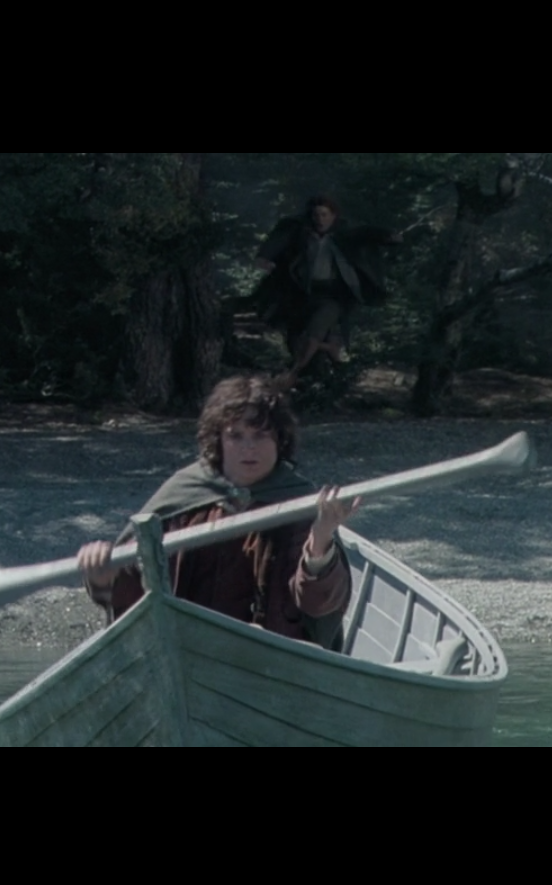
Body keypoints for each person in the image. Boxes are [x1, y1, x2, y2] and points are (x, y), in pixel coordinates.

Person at [77, 374, 361, 649]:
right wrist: (105, 577)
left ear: (279, 440)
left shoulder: (298, 504)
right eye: (236, 436)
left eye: (260, 435)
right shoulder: (183, 494)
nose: (249, 447)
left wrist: (320, 542)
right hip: (187, 647)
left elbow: (319, 605)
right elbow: (137, 587)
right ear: (219, 441)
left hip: (268, 654)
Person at [252, 195, 401, 386]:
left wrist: (388, 236)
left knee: (313, 333)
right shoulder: (300, 233)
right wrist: (265, 257)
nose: (320, 220)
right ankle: (329, 354)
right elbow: (278, 242)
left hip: (332, 296)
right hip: (301, 294)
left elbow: (367, 233)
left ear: (333, 216)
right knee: (295, 338)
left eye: (324, 215)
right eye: (316, 215)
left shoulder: (344, 233)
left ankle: (293, 373)